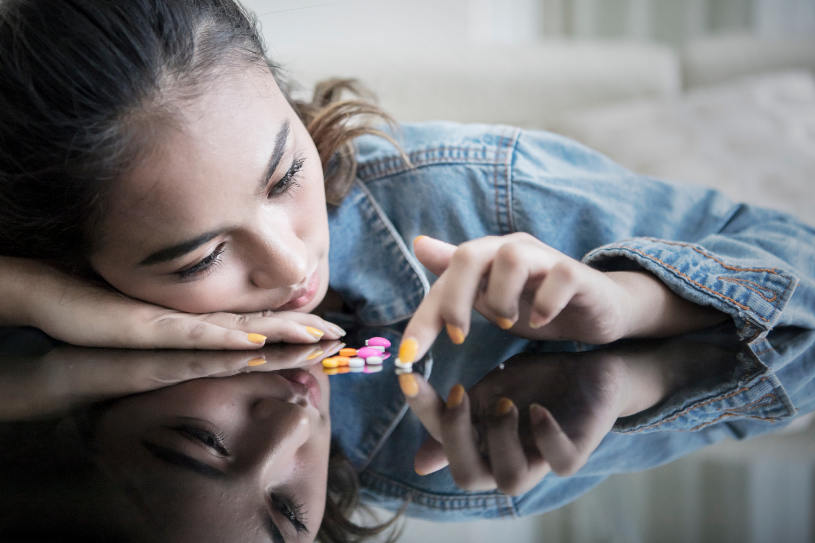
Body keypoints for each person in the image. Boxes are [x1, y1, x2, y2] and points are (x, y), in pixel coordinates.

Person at [1, 0, 814, 539]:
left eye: (285, 177)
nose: (291, 261)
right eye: (203, 255)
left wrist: (630, 302)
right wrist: (57, 299)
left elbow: (801, 269)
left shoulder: (468, 192)